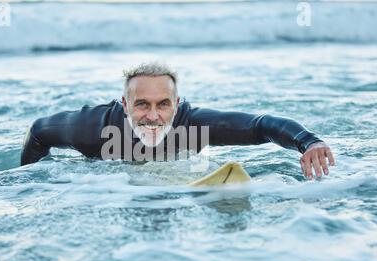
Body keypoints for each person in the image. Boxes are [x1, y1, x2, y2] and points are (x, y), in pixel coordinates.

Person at [21, 62, 335, 179]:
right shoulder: (91, 128)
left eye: (163, 104)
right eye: (141, 104)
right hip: (106, 176)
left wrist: (309, 141)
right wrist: (32, 179)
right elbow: (39, 132)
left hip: (176, 169)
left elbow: (261, 124)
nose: (153, 116)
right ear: (124, 104)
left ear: (177, 104)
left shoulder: (193, 124)